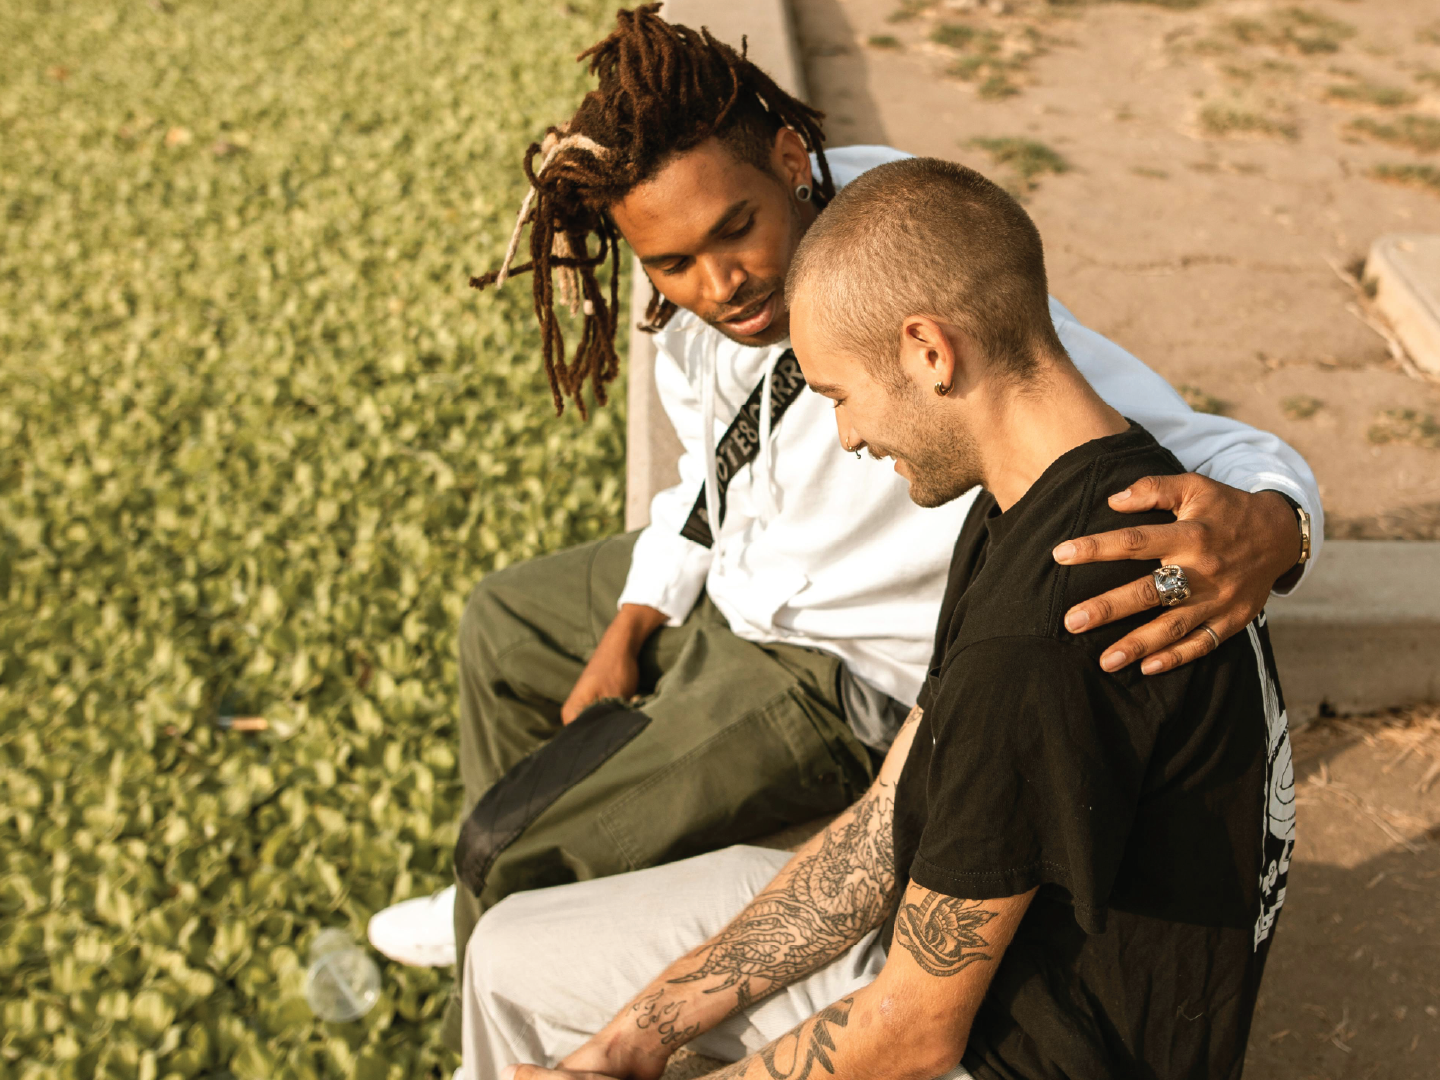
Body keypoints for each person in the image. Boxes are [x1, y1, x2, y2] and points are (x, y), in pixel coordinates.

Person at [365, 5, 1319, 1050]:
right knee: (503, 623)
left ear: (791, 162)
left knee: (512, 861)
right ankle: (526, 900)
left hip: (828, 661)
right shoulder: (969, 520)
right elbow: (706, 477)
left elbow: (1159, 433)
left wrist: (1275, 528)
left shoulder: (919, 272)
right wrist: (636, 620)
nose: (718, 285)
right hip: (747, 579)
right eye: (673, 264)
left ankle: (514, 897)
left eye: (735, 232)